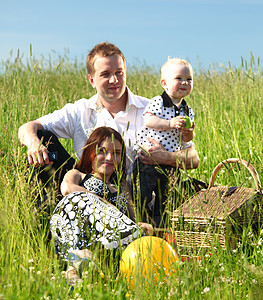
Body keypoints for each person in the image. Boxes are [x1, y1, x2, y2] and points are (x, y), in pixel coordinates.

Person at [18, 41, 199, 206]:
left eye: (119, 73)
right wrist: (34, 143)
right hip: (89, 194)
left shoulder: (152, 109)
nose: (114, 80)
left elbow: (193, 158)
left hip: (137, 200)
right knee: (43, 137)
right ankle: (47, 225)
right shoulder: (80, 110)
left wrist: (164, 157)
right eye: (105, 74)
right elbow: (26, 128)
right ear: (92, 80)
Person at [50, 127, 153, 282]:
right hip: (75, 232)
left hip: (109, 242)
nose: (109, 157)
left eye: (117, 153)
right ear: (90, 152)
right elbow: (67, 190)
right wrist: (103, 204)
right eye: (102, 151)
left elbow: (132, 218)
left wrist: (142, 226)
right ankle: (78, 263)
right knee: (77, 198)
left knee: (138, 233)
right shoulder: (78, 175)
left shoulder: (122, 186)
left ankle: (83, 270)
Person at [133, 58, 195, 227]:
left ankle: (161, 226)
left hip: (171, 164)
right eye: (179, 78)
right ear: (164, 83)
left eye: (189, 79)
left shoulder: (187, 110)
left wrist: (188, 133)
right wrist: (170, 123)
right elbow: (149, 121)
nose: (185, 82)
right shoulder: (158, 102)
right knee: (143, 194)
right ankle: (142, 223)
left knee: (167, 198)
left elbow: (187, 140)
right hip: (148, 160)